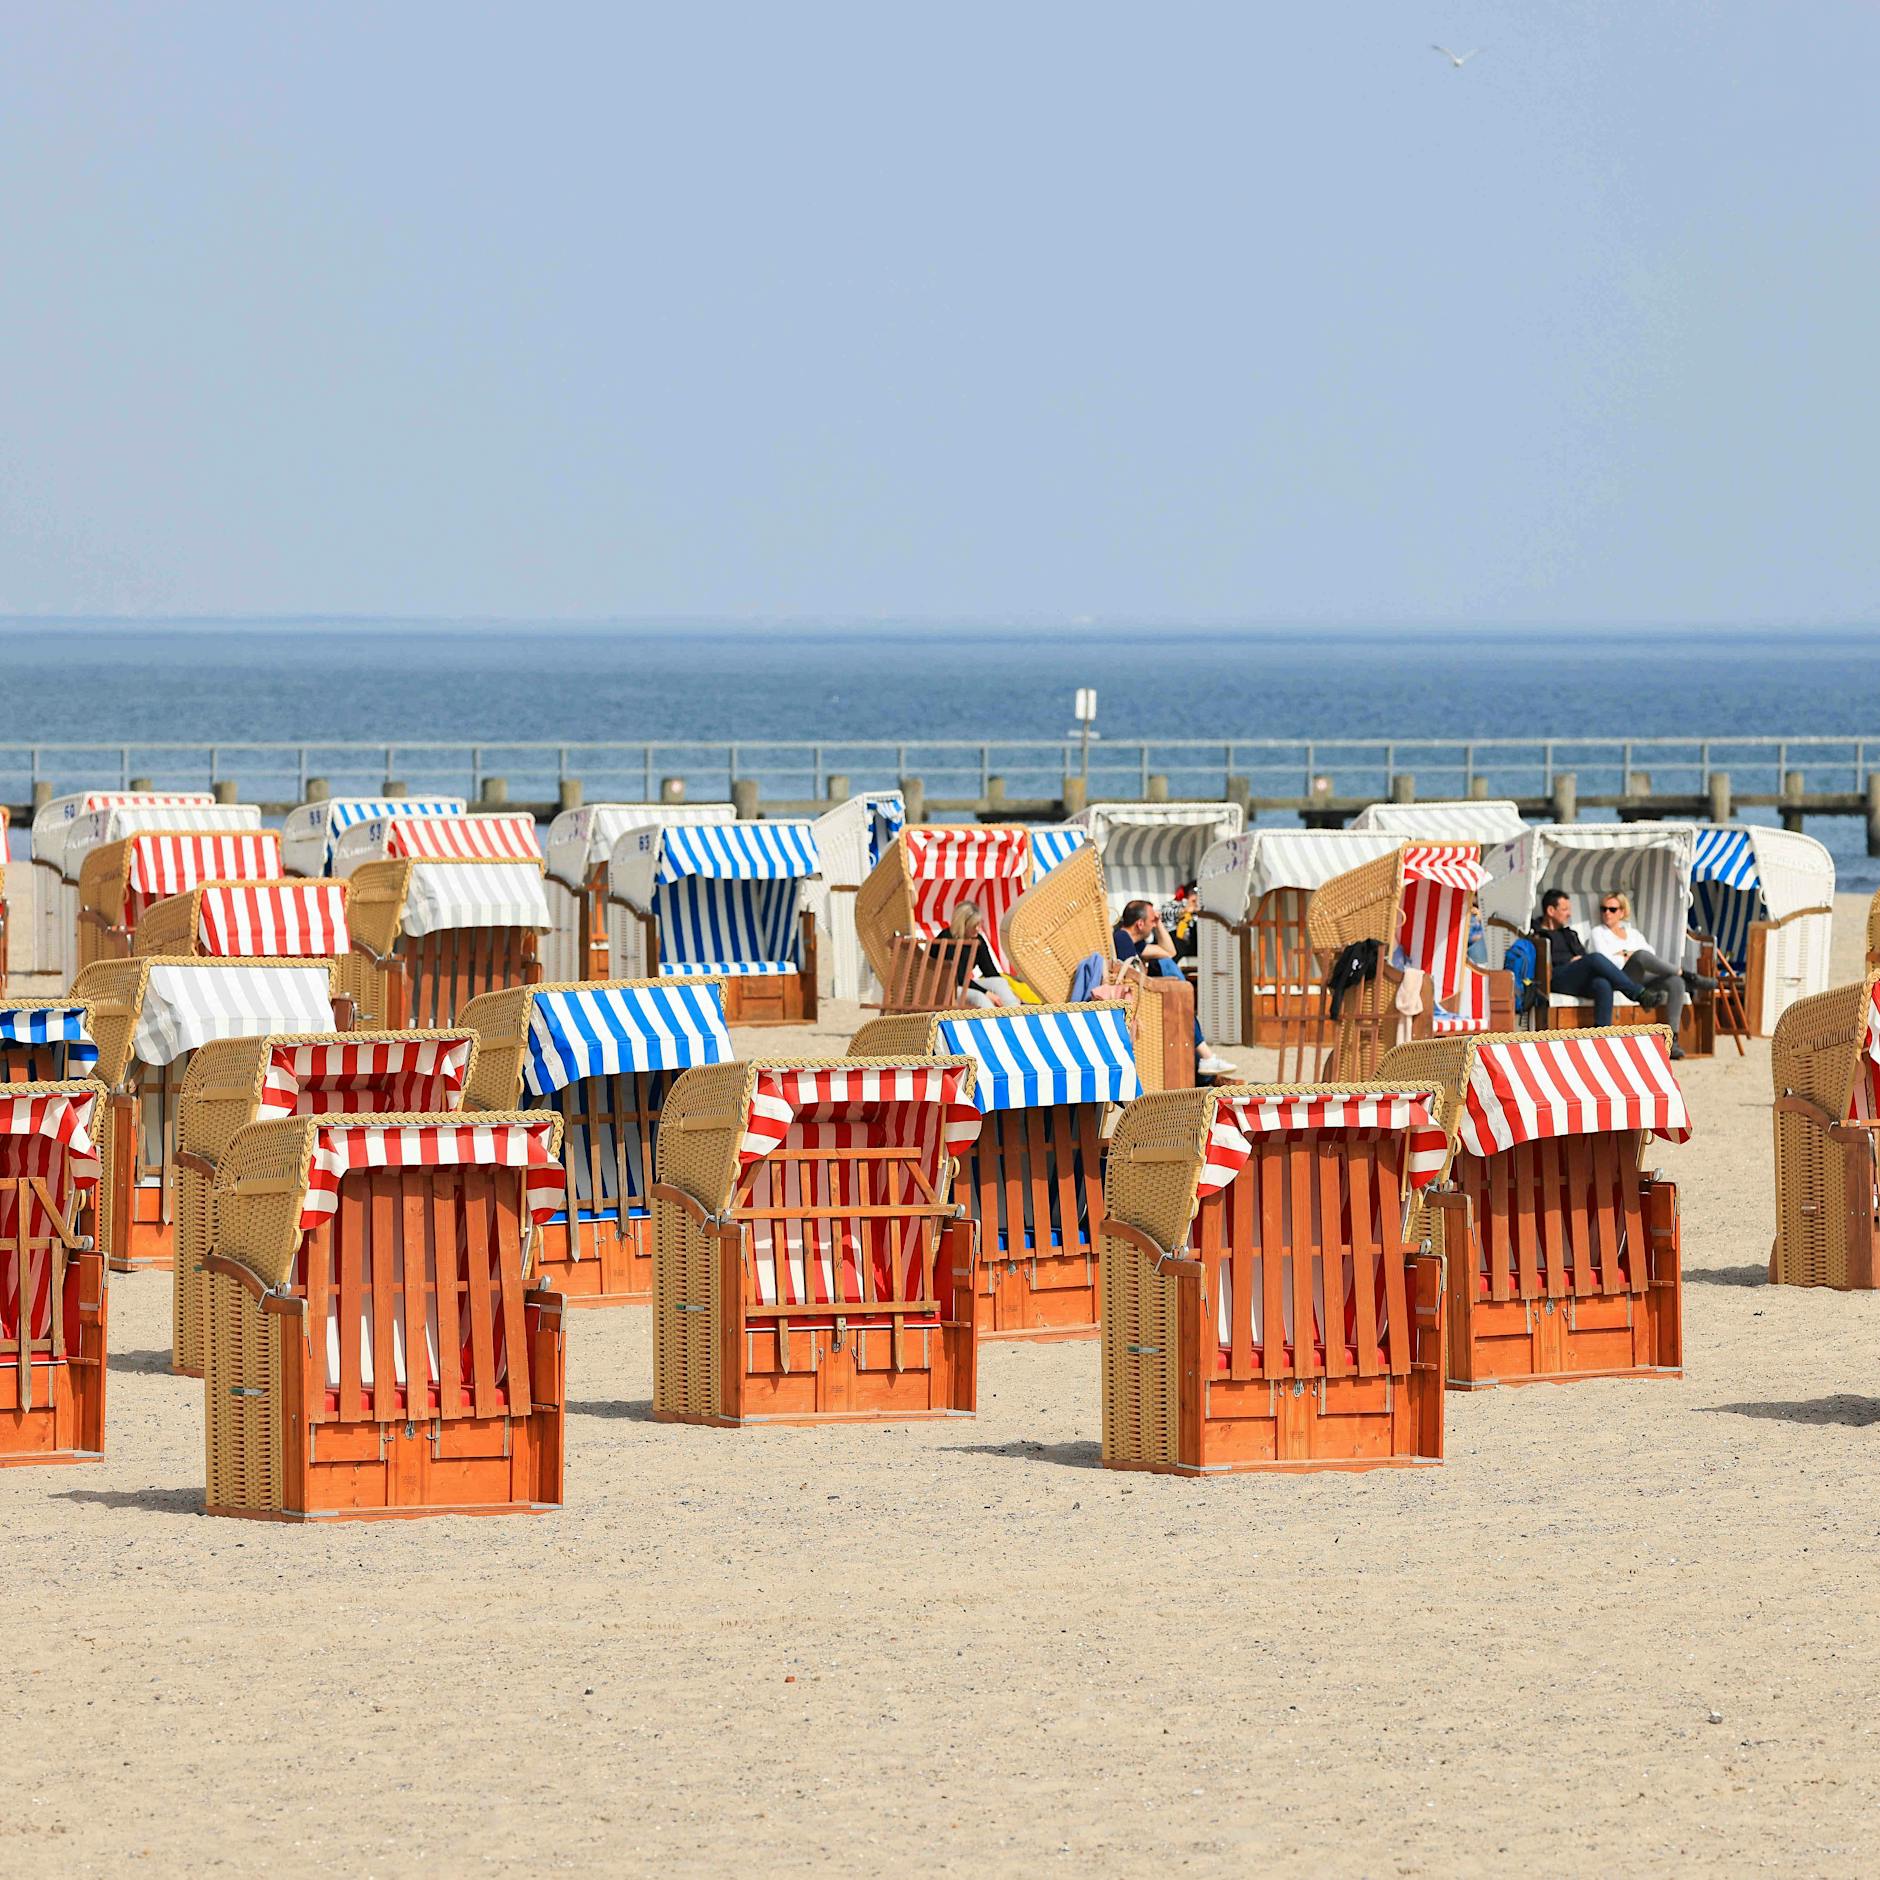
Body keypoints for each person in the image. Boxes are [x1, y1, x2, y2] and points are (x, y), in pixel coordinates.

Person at [1587, 889, 1716, 1060]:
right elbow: (1607, 961)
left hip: (1640, 974)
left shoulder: (1632, 933)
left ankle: (1672, 1041)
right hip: (1620, 977)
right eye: (1603, 909)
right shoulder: (1598, 932)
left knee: (1675, 982)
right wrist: (1630, 954)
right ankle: (1689, 976)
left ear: (1622, 912)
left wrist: (1625, 953)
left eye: (1612, 909)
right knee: (1640, 955)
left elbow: (1650, 953)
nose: (1606, 913)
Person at [1113, 897, 1235, 1078]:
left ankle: (1205, 1063)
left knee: (1168, 967)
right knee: (1180, 1004)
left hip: (1144, 995)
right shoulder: (1122, 939)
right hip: (1138, 1001)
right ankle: (1206, 1059)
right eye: (1152, 920)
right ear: (1140, 924)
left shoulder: (1133, 942)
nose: (1154, 924)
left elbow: (1169, 952)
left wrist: (1159, 924)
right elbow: (1134, 978)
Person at [1532, 888, 1665, 1027]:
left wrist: (1580, 961)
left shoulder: (1569, 934)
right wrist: (1570, 962)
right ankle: (1638, 993)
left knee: (1602, 984)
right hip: (1556, 977)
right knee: (1595, 958)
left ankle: (1601, 1035)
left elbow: (1583, 955)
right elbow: (1542, 964)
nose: (1569, 914)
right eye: (1565, 909)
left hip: (1576, 977)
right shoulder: (1538, 935)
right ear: (1551, 911)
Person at [947, 902, 1017, 1008]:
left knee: (999, 982)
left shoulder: (977, 939)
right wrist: (986, 992)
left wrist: (1008, 992)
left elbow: (989, 971)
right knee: (979, 997)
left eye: (979, 924)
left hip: (965, 984)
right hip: (947, 988)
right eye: (974, 925)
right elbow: (958, 977)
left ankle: (1016, 1013)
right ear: (963, 924)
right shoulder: (947, 939)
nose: (978, 928)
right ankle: (994, 1023)